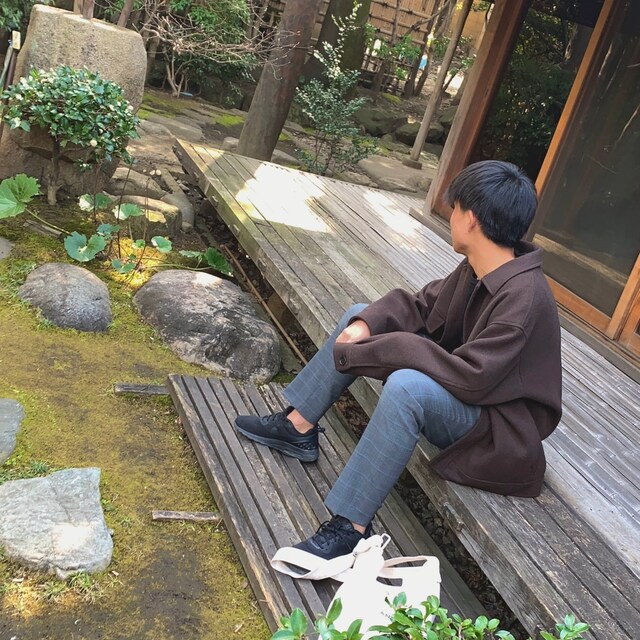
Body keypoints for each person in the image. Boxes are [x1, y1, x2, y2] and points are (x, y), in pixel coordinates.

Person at [235, 160, 562, 562]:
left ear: (471, 219)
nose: (451, 216)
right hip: (471, 389)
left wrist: (386, 351)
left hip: (497, 427)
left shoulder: (524, 299)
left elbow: (473, 378)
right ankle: (296, 426)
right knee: (361, 314)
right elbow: (423, 306)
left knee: (407, 387)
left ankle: (350, 529)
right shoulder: (482, 266)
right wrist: (367, 325)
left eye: (455, 208)